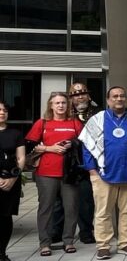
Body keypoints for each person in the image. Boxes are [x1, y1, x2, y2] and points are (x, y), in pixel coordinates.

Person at [78, 86, 127, 259]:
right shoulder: (97, 119)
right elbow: (87, 146)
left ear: (125, 99)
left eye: (122, 96)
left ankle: (125, 243)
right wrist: (91, 170)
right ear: (108, 100)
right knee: (103, 212)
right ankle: (103, 245)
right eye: (114, 96)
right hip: (102, 174)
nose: (118, 99)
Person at [26, 92, 83, 256]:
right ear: (51, 105)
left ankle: (68, 241)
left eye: (63, 103)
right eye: (57, 103)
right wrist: (49, 148)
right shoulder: (42, 123)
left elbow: (85, 143)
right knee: (46, 209)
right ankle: (45, 243)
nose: (60, 106)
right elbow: (30, 144)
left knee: (71, 208)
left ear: (68, 105)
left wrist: (72, 144)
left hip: (69, 173)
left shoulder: (74, 123)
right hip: (46, 173)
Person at [65, 82, 97, 245]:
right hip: (67, 162)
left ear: (88, 96)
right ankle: (58, 232)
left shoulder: (97, 114)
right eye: (75, 95)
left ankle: (85, 231)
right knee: (61, 200)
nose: (79, 97)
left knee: (86, 199)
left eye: (82, 94)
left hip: (89, 162)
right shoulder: (65, 115)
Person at [0, 101, 26, 261]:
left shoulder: (16, 133)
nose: (2, 112)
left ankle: (2, 253)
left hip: (11, 181)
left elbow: (21, 157)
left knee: (5, 217)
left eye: (4, 110)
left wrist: (14, 178)